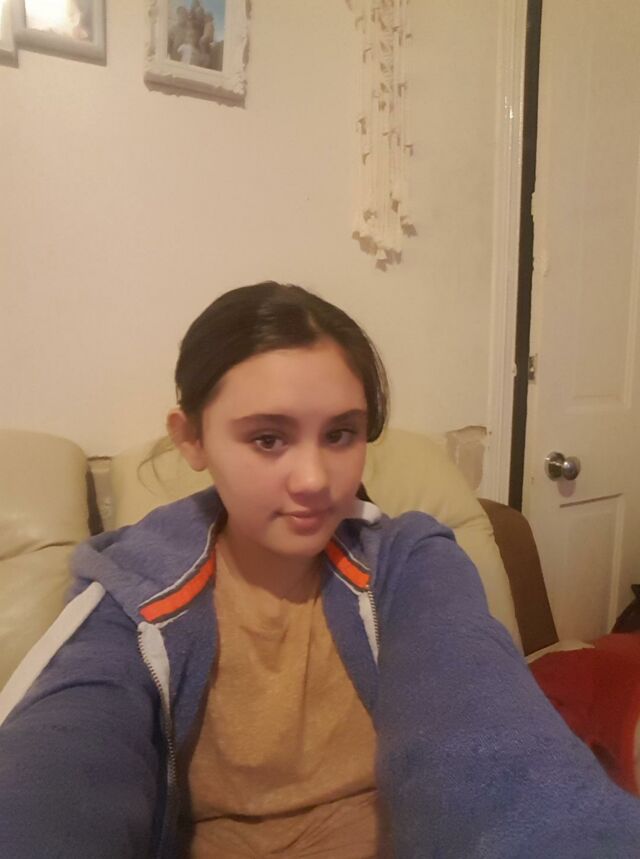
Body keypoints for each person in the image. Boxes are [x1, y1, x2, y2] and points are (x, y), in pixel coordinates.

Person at [1, 281, 640, 859]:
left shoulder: (411, 562)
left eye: (339, 435)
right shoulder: (130, 591)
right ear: (192, 438)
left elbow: (490, 739)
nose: (313, 480)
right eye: (268, 438)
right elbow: (60, 763)